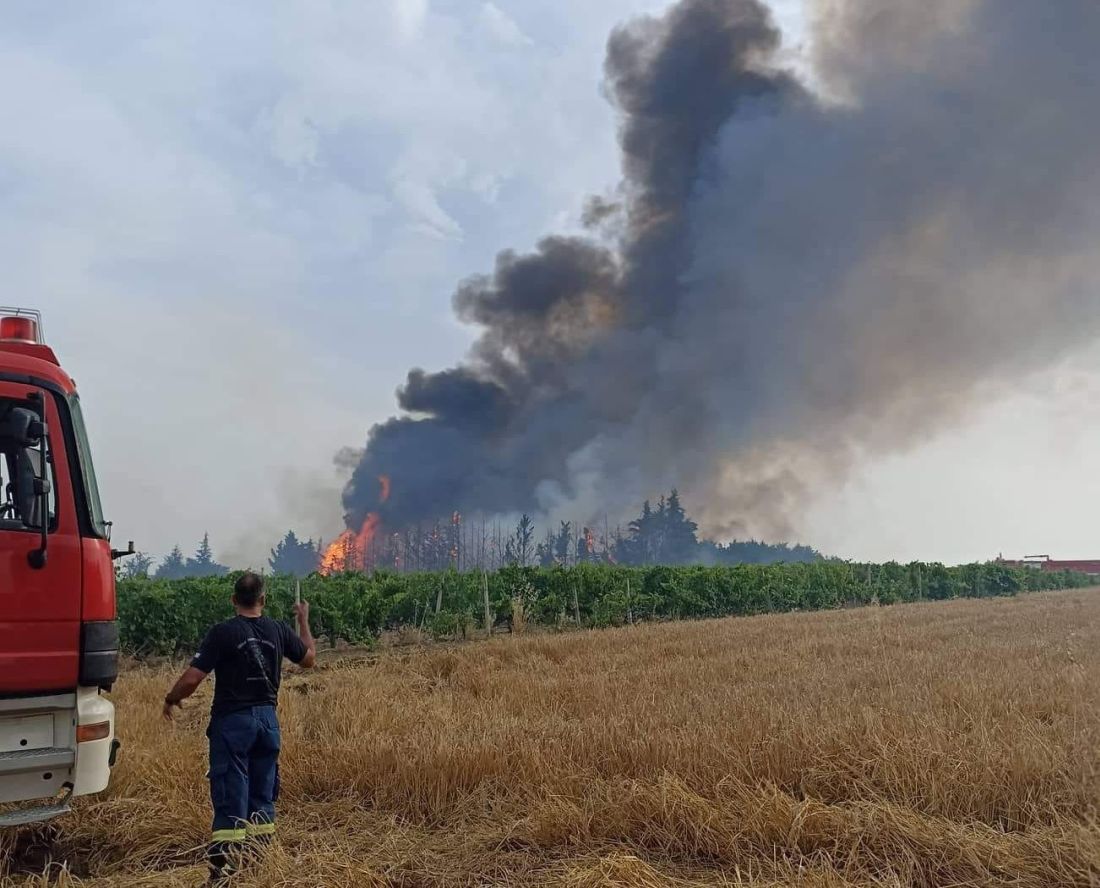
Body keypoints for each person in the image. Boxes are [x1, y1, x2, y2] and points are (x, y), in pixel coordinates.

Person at [162, 572, 316, 883]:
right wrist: (303, 620)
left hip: (233, 723)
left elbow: (193, 678)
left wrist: (171, 698)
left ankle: (223, 873)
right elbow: (309, 658)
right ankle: (260, 865)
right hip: (268, 722)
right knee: (262, 795)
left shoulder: (223, 632)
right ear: (263, 600)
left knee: (231, 794)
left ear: (234, 600)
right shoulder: (277, 629)